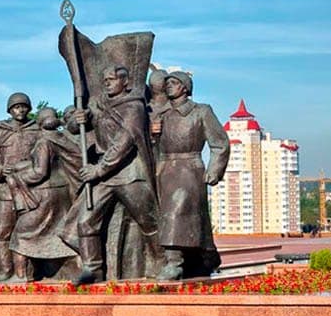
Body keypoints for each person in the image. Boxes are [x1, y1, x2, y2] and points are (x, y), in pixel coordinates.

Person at [66, 64, 166, 284]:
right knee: (85, 221)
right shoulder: (100, 105)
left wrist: (97, 170)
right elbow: (73, 128)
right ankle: (93, 268)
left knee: (148, 221)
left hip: (129, 172)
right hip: (104, 174)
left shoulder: (134, 108)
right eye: (105, 81)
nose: (107, 84)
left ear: (125, 82)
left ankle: (163, 263)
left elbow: (124, 143)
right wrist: (78, 118)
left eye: (111, 80)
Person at [154, 71, 229, 279]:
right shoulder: (162, 114)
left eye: (174, 83)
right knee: (184, 217)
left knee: (177, 212)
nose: (169, 86)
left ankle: (174, 263)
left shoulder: (201, 111)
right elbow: (152, 146)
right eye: (167, 83)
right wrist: (154, 135)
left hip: (189, 168)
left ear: (185, 87)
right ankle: (204, 257)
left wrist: (214, 169)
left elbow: (220, 143)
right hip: (165, 168)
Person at [5, 107, 77, 277]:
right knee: (60, 231)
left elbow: (40, 172)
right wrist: (19, 166)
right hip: (63, 192)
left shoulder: (43, 142)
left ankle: (21, 277)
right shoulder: (62, 138)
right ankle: (75, 269)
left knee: (21, 235)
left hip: (46, 194)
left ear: (39, 123)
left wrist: (18, 177)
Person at [0, 93, 41, 282]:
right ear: (10, 110)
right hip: (5, 191)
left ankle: (29, 272)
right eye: (16, 107)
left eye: (24, 106)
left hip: (31, 189)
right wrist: (0, 170)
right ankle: (6, 270)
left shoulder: (37, 130)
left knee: (28, 231)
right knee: (3, 232)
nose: (21, 110)